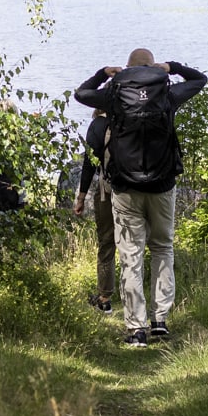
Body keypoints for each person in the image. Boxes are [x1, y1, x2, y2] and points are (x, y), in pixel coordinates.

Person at [74, 48, 207, 346]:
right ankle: (160, 320)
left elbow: (81, 94)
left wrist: (103, 73)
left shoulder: (114, 94)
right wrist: (172, 67)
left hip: (125, 189)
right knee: (163, 248)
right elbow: (200, 80)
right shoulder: (167, 92)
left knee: (131, 257)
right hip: (162, 186)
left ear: (127, 69)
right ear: (153, 66)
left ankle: (136, 328)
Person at [72, 111, 115, 312]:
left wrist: (81, 197)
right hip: (137, 189)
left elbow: (89, 163)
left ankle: (105, 298)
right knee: (135, 243)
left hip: (108, 189)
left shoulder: (98, 125)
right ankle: (137, 296)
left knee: (106, 241)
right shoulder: (132, 117)